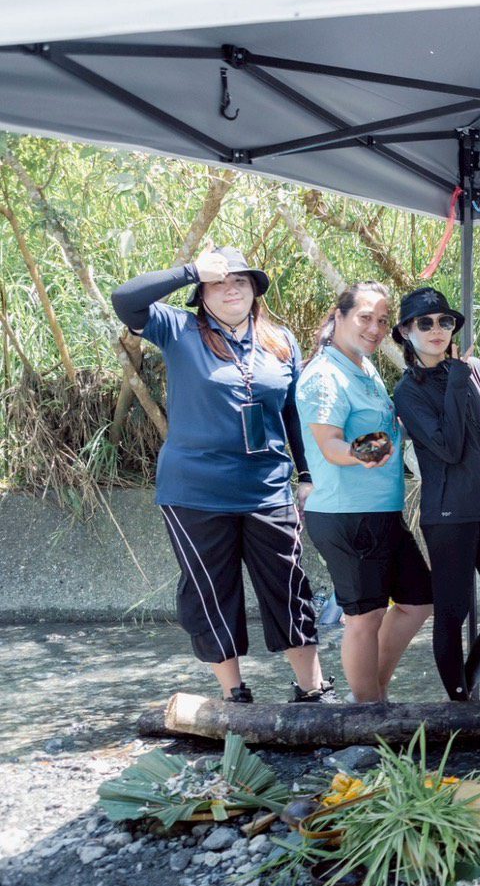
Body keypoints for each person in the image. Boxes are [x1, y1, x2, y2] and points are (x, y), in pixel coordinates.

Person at [109, 247, 328, 703]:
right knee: (211, 591)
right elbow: (125, 299)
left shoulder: (280, 339)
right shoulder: (179, 329)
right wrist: (191, 270)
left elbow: (293, 414)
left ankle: (312, 689)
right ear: (201, 295)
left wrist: (305, 474)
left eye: (241, 281)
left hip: (268, 489)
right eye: (219, 282)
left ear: (255, 291)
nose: (231, 289)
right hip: (195, 491)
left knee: (288, 585)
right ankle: (234, 696)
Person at [297, 282, 433, 703]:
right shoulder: (324, 375)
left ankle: (374, 693)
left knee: (418, 600)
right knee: (363, 617)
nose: (374, 328)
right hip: (347, 514)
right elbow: (330, 445)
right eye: (364, 318)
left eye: (381, 320)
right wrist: (361, 454)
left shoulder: (363, 366)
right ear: (338, 317)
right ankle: (367, 715)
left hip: (381, 511)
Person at [391, 287, 480, 701]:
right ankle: (459, 699)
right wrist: (457, 381)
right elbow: (448, 445)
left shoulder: (474, 368)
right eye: (424, 323)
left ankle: (469, 680)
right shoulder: (408, 390)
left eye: (444, 321)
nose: (436, 330)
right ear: (407, 331)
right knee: (452, 613)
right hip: (449, 517)